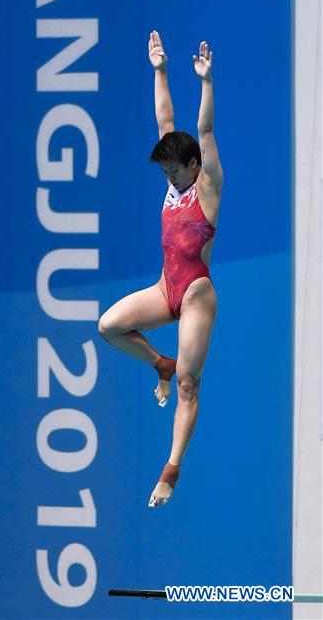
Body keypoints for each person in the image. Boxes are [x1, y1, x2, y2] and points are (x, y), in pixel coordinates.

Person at [97, 30, 224, 507]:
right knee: (109, 326)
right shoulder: (174, 184)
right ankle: (160, 364)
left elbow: (204, 132)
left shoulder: (207, 186)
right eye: (165, 173)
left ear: (195, 165)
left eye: (175, 171)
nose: (168, 179)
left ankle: (171, 470)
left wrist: (206, 82)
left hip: (195, 295)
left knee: (191, 385)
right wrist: (160, 70)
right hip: (164, 288)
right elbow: (165, 119)